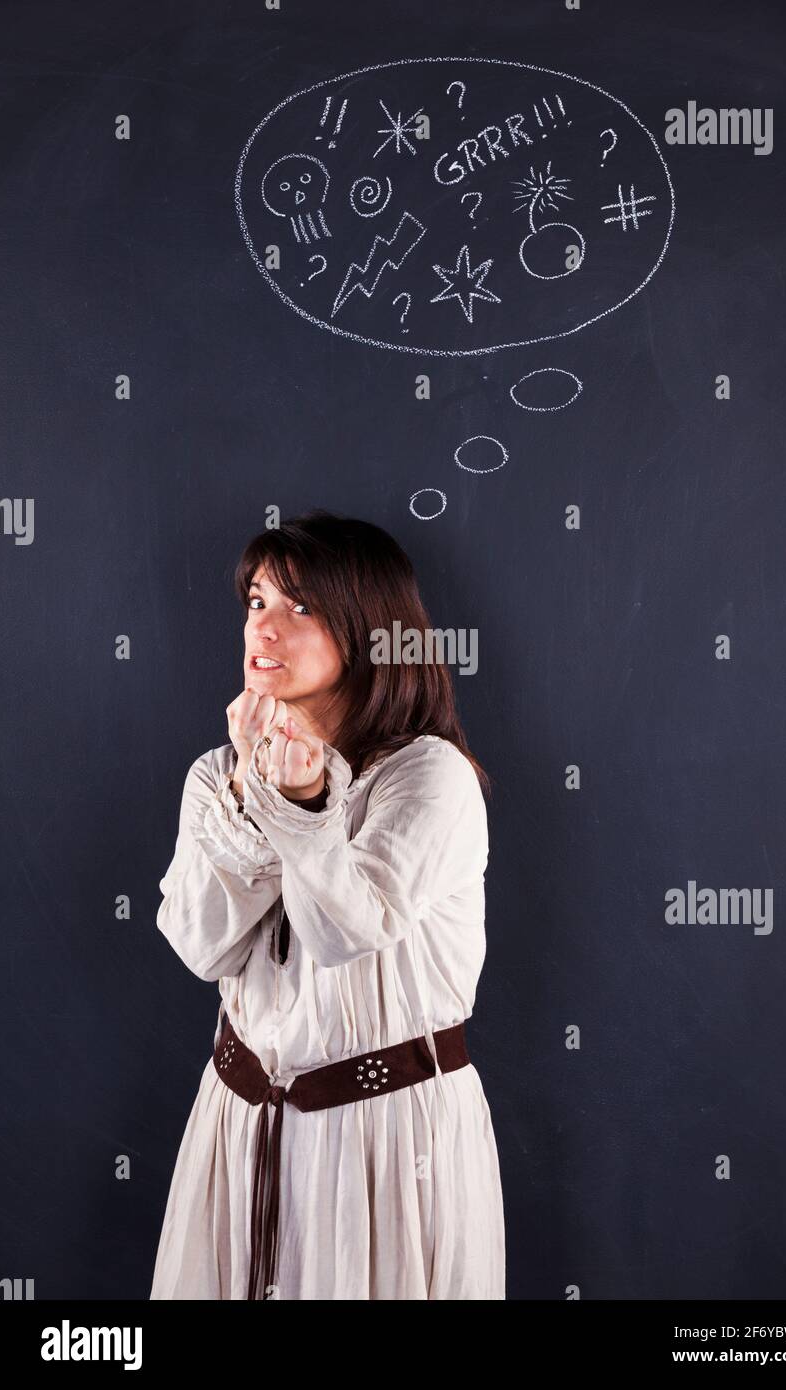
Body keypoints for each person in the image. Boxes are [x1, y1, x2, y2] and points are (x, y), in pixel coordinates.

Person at [149, 510, 505, 1300]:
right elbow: (200, 945)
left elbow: (347, 929)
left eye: (300, 606)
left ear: (371, 629)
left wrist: (305, 807)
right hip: (239, 1127)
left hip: (385, 1139)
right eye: (256, 601)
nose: (264, 628)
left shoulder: (428, 778)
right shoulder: (217, 778)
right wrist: (252, 794)